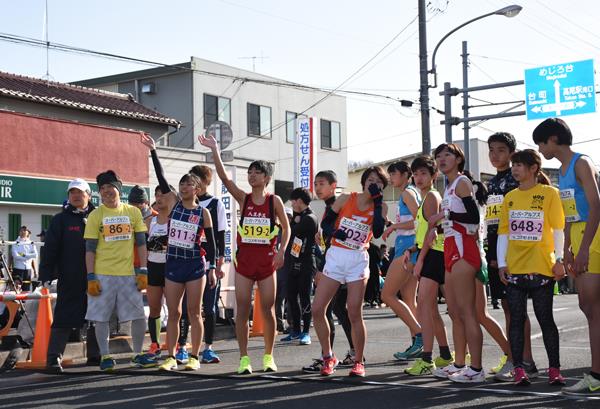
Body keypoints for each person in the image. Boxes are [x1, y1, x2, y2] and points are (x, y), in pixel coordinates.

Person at [200, 133, 290, 375]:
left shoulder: (274, 201)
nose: (251, 176)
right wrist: (215, 149)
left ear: (267, 178)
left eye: (256, 173)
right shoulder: (244, 198)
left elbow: (286, 228)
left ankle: (269, 356)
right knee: (241, 309)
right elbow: (223, 177)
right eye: (249, 173)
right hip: (245, 263)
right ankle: (244, 358)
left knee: (268, 309)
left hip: (267, 262)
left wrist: (281, 251)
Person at [533, 118, 600, 396]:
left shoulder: (582, 162)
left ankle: (596, 375)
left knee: (593, 307)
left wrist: (584, 247)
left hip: (594, 236)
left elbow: (596, 206)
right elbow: (570, 213)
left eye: (541, 142)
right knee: (587, 306)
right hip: (579, 236)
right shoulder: (562, 169)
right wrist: (568, 248)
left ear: (553, 139)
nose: (539, 148)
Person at [140, 135, 217, 372]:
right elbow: (162, 179)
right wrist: (153, 151)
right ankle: (170, 356)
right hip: (173, 265)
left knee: (195, 312)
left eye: (189, 184)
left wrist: (212, 268)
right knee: (174, 312)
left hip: (195, 266)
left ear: (198, 189)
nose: (184, 187)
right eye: (182, 184)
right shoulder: (174, 208)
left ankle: (194, 355)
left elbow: (212, 245)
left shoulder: (204, 213)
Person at [497, 149, 566, 386]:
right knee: (516, 319)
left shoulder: (549, 193)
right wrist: (502, 264)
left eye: (519, 164)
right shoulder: (510, 197)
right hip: (515, 268)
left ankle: (554, 370)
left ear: (534, 168)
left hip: (542, 267)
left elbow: (558, 229)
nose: (514, 168)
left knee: (545, 319)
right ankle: (519, 369)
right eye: (513, 164)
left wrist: (558, 260)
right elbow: (503, 233)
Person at [313, 166, 388, 377]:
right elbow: (326, 223)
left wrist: (379, 201)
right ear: (363, 182)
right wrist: (337, 232)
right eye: (371, 179)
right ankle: (328, 357)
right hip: (336, 255)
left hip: (358, 259)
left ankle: (358, 361)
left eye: (379, 181)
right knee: (318, 309)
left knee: (354, 311)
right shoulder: (346, 198)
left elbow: (379, 232)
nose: (374, 183)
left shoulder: (380, 208)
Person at [84, 169, 156, 371]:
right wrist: (91, 276)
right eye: (103, 188)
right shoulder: (95, 215)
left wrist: (143, 270)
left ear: (119, 188)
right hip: (102, 274)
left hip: (128, 274)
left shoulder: (132, 212)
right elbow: (89, 248)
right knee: (101, 317)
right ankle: (105, 356)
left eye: (110, 187)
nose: (107, 191)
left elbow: (141, 243)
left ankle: (138, 354)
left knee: (139, 315)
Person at [485, 132, 536, 382]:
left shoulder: (516, 180)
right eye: (491, 150)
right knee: (508, 308)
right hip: (496, 249)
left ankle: (524, 360)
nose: (495, 155)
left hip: (515, 251)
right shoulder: (492, 183)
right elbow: (494, 222)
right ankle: (517, 359)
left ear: (512, 153)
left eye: (501, 150)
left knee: (516, 310)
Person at [40, 179, 100, 373]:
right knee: (64, 315)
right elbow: (50, 249)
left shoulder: (99, 216)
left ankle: (96, 355)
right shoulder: (60, 220)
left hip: (98, 274)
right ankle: (53, 358)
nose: (75, 195)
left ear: (89, 195)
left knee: (97, 314)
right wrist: (46, 273)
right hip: (70, 276)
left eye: (80, 192)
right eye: (72, 192)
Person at [302, 170, 356, 372]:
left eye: (322, 183)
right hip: (333, 263)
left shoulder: (340, 205)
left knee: (329, 309)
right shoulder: (327, 208)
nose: (317, 188)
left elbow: (344, 234)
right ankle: (348, 353)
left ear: (334, 185)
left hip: (341, 264)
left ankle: (331, 356)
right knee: (339, 310)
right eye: (315, 184)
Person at [404, 156, 453, 377]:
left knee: (425, 306)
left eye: (424, 173)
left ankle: (426, 359)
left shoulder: (432, 196)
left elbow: (434, 234)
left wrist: (420, 259)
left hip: (435, 255)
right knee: (431, 309)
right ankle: (444, 354)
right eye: (416, 174)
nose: (419, 178)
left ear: (433, 176)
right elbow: (426, 233)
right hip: (432, 253)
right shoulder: (426, 198)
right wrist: (414, 251)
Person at [380, 161, 423, 361]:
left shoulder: (408, 192)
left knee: (387, 294)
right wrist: (393, 225)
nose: (391, 178)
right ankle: (417, 342)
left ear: (406, 174)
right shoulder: (409, 192)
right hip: (408, 246)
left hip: (408, 248)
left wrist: (393, 226)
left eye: (394, 174)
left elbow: (418, 220)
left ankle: (420, 335)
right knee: (408, 299)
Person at [190, 164, 228, 364]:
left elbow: (221, 237)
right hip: (189, 262)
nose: (195, 184)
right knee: (189, 308)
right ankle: (182, 347)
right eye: (192, 179)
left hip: (209, 264)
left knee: (210, 307)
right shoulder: (185, 203)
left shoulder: (215, 204)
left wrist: (219, 264)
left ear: (206, 182)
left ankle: (208, 348)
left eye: (199, 180)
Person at [280, 187, 318, 345]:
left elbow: (292, 232)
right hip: (292, 261)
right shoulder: (298, 216)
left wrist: (292, 223)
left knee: (304, 297)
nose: (292, 204)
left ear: (300, 201)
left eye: (293, 201)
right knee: (291, 297)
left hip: (306, 262)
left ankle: (306, 332)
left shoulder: (310, 218)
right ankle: (295, 330)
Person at [143, 183, 172, 359]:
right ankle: (155, 344)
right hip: (153, 268)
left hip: (172, 269)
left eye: (163, 195)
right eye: (157, 195)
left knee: (174, 309)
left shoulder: (176, 219)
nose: (160, 198)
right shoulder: (149, 221)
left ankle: (177, 345)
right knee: (154, 308)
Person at [11, 226, 38, 291]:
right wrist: (28, 256)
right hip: (18, 268)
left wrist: (23, 255)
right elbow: (15, 256)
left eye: (25, 230)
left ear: (28, 233)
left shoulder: (31, 243)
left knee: (26, 289)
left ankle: (25, 301)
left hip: (28, 269)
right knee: (16, 289)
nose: (23, 232)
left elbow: (35, 255)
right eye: (21, 230)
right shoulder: (15, 243)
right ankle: (16, 301)